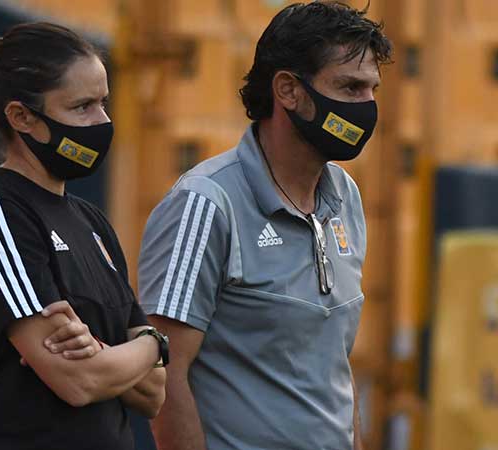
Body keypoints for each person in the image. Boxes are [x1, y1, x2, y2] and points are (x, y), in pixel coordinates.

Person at [137, 2, 392, 450]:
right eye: (350, 87)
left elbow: (333, 363)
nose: (366, 107)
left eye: (372, 90)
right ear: (288, 90)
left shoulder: (345, 197)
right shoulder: (205, 203)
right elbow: (163, 373)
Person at [0, 22, 168, 450]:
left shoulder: (93, 224)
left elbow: (153, 394)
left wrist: (108, 348)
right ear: (21, 117)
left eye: (104, 103)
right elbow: (77, 382)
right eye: (82, 107)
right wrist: (150, 345)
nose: (102, 121)